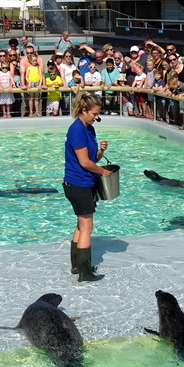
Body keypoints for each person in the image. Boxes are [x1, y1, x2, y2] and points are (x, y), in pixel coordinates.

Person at [64, 93, 111, 282]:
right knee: (87, 227)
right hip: (78, 184)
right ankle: (85, 273)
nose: (96, 117)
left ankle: (76, 266)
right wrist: (103, 172)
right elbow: (84, 163)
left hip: (82, 183)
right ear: (84, 110)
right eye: (94, 113)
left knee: (80, 225)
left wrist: (101, 151)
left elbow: (92, 159)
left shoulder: (89, 129)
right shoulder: (77, 130)